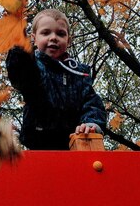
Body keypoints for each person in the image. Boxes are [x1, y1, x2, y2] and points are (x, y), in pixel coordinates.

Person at [6, 9, 106, 150]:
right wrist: (20, 44)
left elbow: (92, 103)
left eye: (60, 34)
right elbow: (22, 73)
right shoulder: (35, 67)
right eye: (46, 33)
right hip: (40, 141)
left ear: (68, 40)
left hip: (75, 143)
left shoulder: (78, 74)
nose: (53, 37)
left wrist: (90, 124)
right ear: (34, 38)